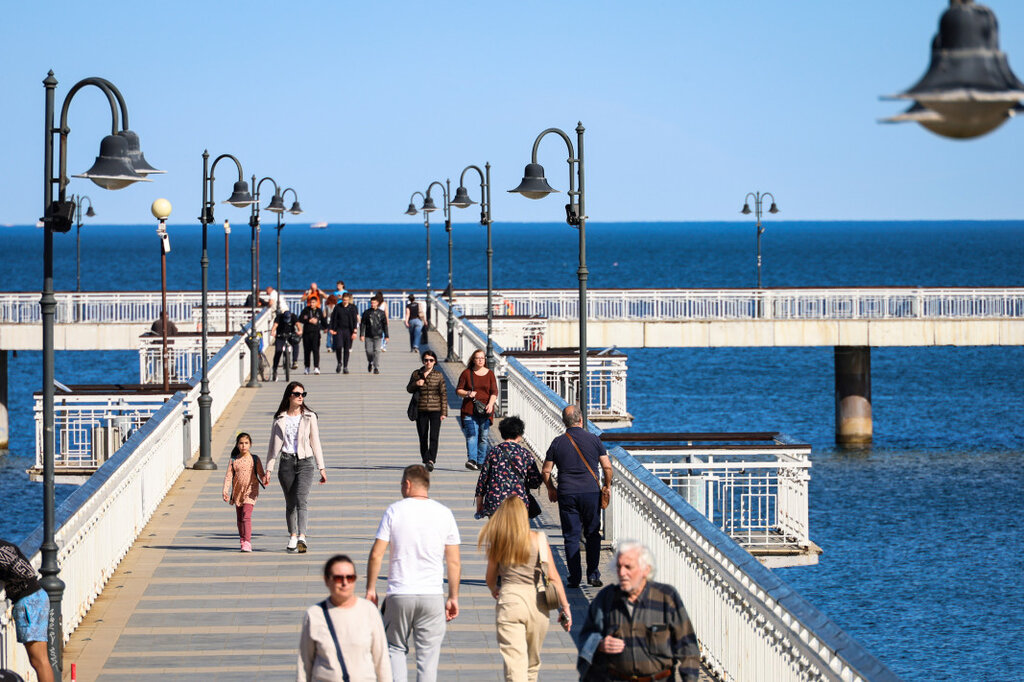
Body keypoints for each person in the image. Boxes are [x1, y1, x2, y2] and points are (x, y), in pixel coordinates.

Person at [365, 465, 461, 682]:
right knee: (428, 658)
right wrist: (453, 597)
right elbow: (454, 561)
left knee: (394, 648)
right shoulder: (444, 513)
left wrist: (371, 589)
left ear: (407, 485)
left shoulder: (394, 511)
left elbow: (376, 555)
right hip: (432, 595)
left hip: (399, 594)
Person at [576, 542, 700, 682]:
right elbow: (586, 636)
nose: (622, 573)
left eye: (628, 567)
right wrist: (599, 644)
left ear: (645, 570)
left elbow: (688, 648)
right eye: (619, 567)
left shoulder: (666, 597)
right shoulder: (607, 598)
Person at [478, 496, 571, 682]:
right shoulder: (539, 539)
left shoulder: (499, 541)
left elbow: (489, 578)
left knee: (515, 663)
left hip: (510, 600)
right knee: (532, 664)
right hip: (538, 603)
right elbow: (553, 577)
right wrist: (565, 607)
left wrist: (494, 589)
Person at [542, 405, 613, 589]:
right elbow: (607, 467)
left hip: (567, 493)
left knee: (571, 536)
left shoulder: (557, 442)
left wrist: (551, 489)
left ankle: (574, 577)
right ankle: (593, 575)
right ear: (581, 419)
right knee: (592, 533)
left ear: (564, 422)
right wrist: (607, 485)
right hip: (590, 493)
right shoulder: (594, 439)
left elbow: (546, 470)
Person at [299, 554, 392, 682]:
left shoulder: (369, 611)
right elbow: (305, 664)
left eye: (350, 578)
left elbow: (382, 661)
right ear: (327, 580)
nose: (344, 583)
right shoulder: (315, 614)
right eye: (338, 578)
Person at [264, 382, 326, 553]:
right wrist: (268, 469)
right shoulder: (279, 418)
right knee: (290, 503)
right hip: (286, 463)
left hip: (305, 462)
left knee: (301, 499)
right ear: (289, 396)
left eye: (303, 394)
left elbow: (316, 442)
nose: (301, 397)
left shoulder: (309, 416)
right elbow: (272, 446)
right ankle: (292, 536)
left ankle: (302, 537)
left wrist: (322, 467)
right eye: (297, 394)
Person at [0, 539, 55, 682]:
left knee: (39, 661)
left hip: (28, 602)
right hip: (37, 596)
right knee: (41, 660)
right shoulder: (6, 545)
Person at [474, 416, 542, 519]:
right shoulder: (525, 453)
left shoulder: (494, 452)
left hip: (495, 501)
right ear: (519, 434)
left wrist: (479, 505)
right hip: (518, 503)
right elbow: (536, 480)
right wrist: (524, 485)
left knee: (497, 533)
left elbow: (482, 481)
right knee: (516, 533)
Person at [456, 349, 498, 471]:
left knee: (483, 437)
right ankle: (472, 460)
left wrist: (491, 404)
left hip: (485, 410)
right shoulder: (466, 373)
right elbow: (458, 390)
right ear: (473, 360)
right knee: (471, 435)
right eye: (478, 358)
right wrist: (468, 393)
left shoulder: (490, 374)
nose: (480, 360)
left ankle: (480, 462)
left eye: (482, 358)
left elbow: (494, 391)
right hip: (469, 409)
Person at [221, 432, 264, 552]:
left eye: (246, 443)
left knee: (246, 516)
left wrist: (265, 479)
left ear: (250, 444)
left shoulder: (254, 459)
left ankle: (247, 542)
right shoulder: (234, 460)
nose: (243, 446)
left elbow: (261, 473)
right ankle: (242, 538)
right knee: (240, 518)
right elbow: (229, 476)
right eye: (241, 443)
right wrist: (225, 491)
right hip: (237, 491)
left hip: (251, 491)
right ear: (237, 445)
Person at [406, 350, 447, 472]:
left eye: (431, 360)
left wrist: (444, 412)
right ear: (423, 361)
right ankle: (425, 458)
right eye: (426, 360)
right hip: (421, 409)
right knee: (423, 436)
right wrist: (416, 384)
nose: (428, 362)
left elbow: (443, 394)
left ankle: (431, 460)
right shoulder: (416, 374)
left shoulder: (438, 375)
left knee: (434, 436)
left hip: (436, 410)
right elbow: (409, 389)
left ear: (434, 362)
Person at [329, 291, 359, 374]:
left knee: (347, 349)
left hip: (349, 330)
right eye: (343, 300)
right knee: (338, 346)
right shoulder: (338, 307)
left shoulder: (352, 308)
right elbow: (333, 318)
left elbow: (354, 320)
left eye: (346, 300)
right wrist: (331, 328)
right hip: (339, 329)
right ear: (341, 299)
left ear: (349, 300)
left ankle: (345, 366)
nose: (345, 301)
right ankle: (339, 362)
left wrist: (355, 331)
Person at [359, 296, 389, 374]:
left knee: (377, 351)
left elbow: (385, 325)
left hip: (378, 335)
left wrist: (386, 336)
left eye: (374, 303)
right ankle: (370, 362)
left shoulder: (381, 313)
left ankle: (376, 367)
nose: (373, 304)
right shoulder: (366, 312)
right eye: (371, 303)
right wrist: (361, 334)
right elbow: (363, 324)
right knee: (369, 351)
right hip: (368, 335)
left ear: (377, 303)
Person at [270, 307, 301, 380]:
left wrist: (300, 331)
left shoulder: (293, 316)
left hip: (290, 334)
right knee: (278, 351)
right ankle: (275, 368)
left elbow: (298, 325)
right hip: (280, 335)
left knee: (296, 344)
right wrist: (272, 332)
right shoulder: (279, 317)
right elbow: (275, 325)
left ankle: (295, 361)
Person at [299, 297, 327, 375]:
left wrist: (325, 328)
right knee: (307, 351)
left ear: (317, 303)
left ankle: (316, 367)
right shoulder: (306, 310)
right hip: (307, 333)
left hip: (316, 333)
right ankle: (307, 367)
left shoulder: (319, 311)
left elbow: (323, 321)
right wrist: (308, 320)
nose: (312, 304)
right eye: (311, 302)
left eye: (313, 302)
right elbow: (300, 318)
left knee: (316, 350)